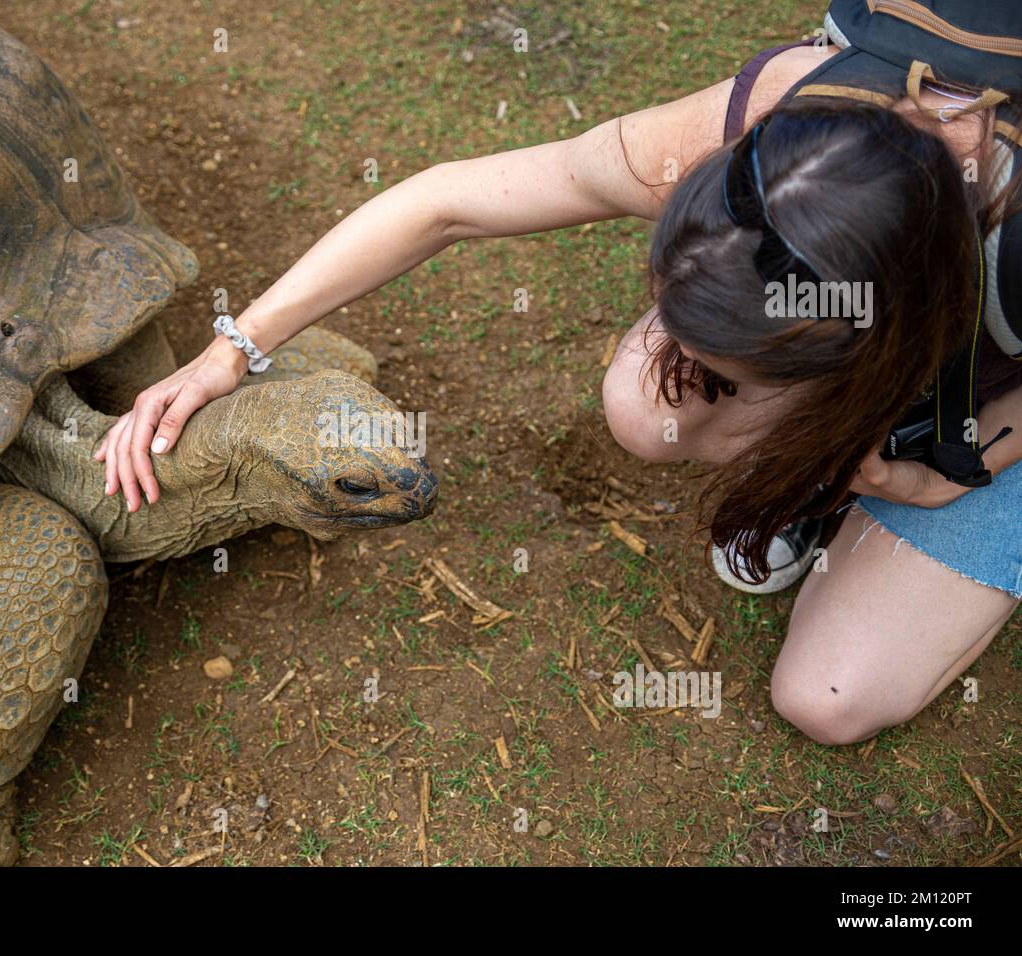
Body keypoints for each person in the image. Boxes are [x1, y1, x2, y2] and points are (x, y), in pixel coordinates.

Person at [95, 11, 1022, 746]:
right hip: (882, 346)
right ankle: (827, 478)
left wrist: (944, 470)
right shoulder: (774, 139)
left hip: (990, 385)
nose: (684, 362)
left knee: (828, 696)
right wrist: (233, 350)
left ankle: (890, 473)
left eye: (725, 361)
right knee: (645, 405)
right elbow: (447, 204)